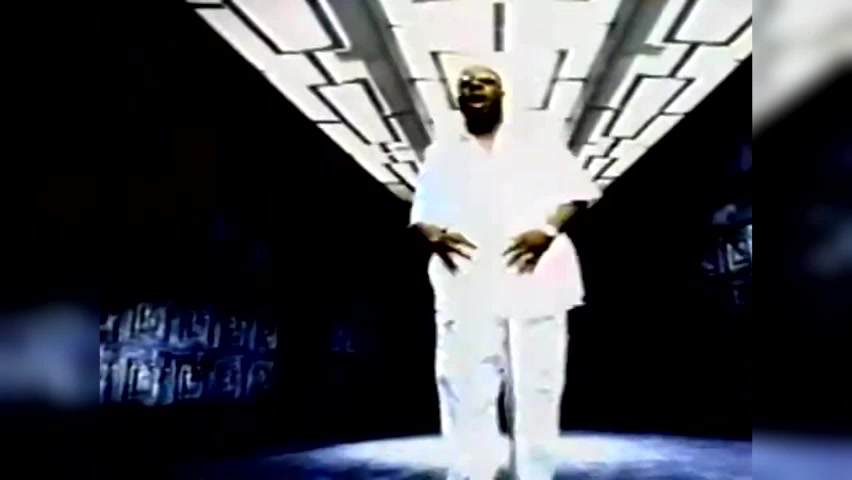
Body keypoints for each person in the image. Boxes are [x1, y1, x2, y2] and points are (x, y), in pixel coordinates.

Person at [410, 65, 602, 479]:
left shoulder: (537, 145)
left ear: (501, 93)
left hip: (534, 275)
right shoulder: (442, 154)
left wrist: (547, 231)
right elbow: (422, 212)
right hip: (467, 281)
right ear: (458, 100)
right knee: (464, 384)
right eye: (465, 85)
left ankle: (532, 473)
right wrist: (434, 235)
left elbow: (577, 194)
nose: (473, 88)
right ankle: (472, 471)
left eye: (484, 82)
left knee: (537, 385)